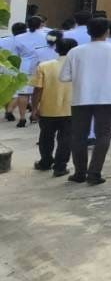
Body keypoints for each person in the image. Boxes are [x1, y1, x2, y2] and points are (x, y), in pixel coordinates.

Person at [59, 16, 111, 185]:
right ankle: (94, 173)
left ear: (88, 32)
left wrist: (80, 77)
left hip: (81, 97)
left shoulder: (76, 51)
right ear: (107, 32)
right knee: (103, 135)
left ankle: (79, 172)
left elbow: (64, 77)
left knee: (79, 136)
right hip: (106, 97)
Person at [30, 35, 76, 176]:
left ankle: (45, 161)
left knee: (45, 137)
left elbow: (37, 90)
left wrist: (34, 108)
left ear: (56, 49)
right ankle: (60, 166)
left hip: (48, 109)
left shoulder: (44, 66)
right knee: (66, 139)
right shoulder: (79, 67)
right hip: (71, 109)